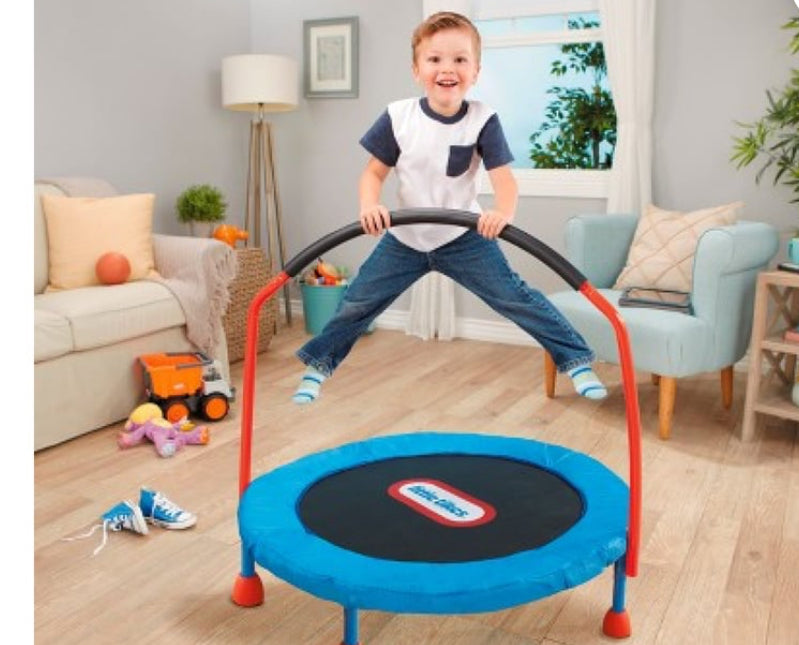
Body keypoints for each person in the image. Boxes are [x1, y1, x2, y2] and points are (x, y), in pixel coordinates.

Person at [293, 11, 606, 404]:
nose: (447, 68)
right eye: (434, 59)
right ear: (416, 70)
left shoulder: (483, 119)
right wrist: (369, 204)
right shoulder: (398, 117)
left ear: (475, 71)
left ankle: (576, 360)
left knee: (516, 297)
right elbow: (373, 173)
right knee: (358, 301)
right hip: (406, 238)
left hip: (463, 237)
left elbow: (504, 180)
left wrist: (502, 214)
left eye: (460, 59)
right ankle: (318, 366)